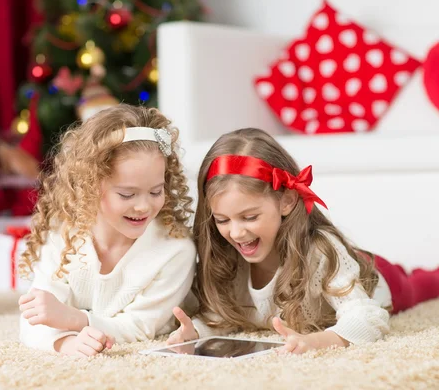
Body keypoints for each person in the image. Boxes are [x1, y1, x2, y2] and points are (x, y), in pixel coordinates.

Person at [168, 127, 439, 354]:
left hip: (373, 275)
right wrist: (197, 331)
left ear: (286, 200)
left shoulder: (321, 251)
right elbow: (224, 319)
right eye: (223, 220)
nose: (236, 233)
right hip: (346, 266)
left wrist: (319, 341)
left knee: (420, 284)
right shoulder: (228, 254)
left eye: (249, 217)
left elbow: (367, 318)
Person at [18, 104, 196, 357]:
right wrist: (66, 344)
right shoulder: (64, 234)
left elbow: (141, 326)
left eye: (156, 191)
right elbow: (35, 316)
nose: (144, 205)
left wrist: (75, 319)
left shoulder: (175, 251)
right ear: (90, 184)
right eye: (127, 194)